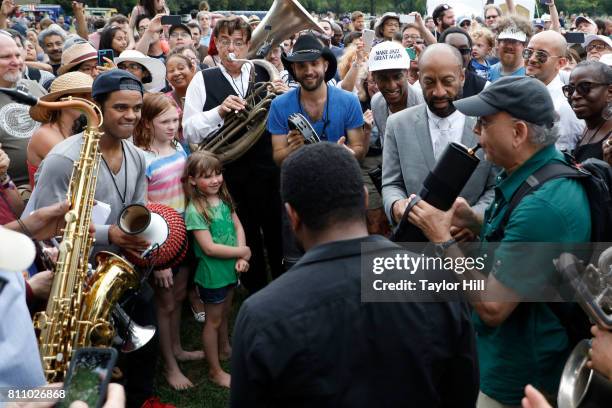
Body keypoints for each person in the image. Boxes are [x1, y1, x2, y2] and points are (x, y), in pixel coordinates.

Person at [230, 142, 479, 407]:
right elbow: (463, 390)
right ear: (363, 198)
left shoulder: (262, 316)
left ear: (292, 216)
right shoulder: (438, 281)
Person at [407, 76, 591, 407]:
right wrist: (473, 221)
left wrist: (440, 238)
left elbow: (493, 307)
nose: (477, 132)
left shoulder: (542, 204)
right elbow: (519, 241)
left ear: (518, 133)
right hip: (507, 356)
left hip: (519, 377)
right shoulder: (539, 171)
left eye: (485, 122)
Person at [25, 70, 157, 407]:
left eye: (137, 108)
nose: (131, 116)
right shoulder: (62, 159)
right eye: (121, 107)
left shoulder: (137, 155)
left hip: (122, 269)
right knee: (90, 360)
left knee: (140, 352)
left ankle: (139, 398)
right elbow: (40, 229)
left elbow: (137, 209)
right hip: (74, 280)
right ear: (96, 108)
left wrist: (143, 233)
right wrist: (107, 233)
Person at [183, 16, 285, 293]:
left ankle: (285, 287)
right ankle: (257, 293)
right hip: (231, 175)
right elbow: (189, 131)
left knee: (277, 234)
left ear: (247, 45)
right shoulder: (203, 80)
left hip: (268, 171)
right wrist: (219, 111)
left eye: (238, 43)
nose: (231, 48)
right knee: (247, 234)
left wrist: (283, 98)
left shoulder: (264, 73)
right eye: (225, 41)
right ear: (215, 44)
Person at [382, 44, 496, 230]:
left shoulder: (487, 123)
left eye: (447, 81)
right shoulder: (397, 124)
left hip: (470, 250)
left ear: (462, 77)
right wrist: (396, 206)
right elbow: (391, 183)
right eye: (429, 82)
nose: (439, 92)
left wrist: (474, 220)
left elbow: (495, 187)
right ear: (418, 79)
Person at [132, 92, 201, 390]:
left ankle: (176, 348)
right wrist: (155, 258)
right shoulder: (142, 158)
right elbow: (141, 210)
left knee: (180, 294)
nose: (173, 126)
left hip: (184, 233)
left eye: (176, 120)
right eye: (165, 121)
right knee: (165, 301)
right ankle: (170, 367)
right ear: (147, 122)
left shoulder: (177, 146)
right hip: (160, 242)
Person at [183, 151, 249, 388]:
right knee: (212, 320)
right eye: (207, 176)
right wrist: (242, 253)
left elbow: (238, 226)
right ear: (192, 180)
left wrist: (241, 252)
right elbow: (209, 248)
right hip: (212, 276)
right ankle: (215, 371)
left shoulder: (223, 198)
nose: (215, 180)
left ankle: (224, 348)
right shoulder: (195, 210)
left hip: (230, 270)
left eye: (218, 173)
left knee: (225, 312)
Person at [268, 33, 366, 165]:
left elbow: (359, 148)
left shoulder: (349, 101)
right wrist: (292, 149)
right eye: (302, 65)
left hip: (338, 179)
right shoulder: (279, 105)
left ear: (325, 66)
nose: (309, 71)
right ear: (294, 69)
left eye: (314, 63)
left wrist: (346, 153)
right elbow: (278, 157)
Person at [27, 71, 93, 187]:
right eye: (83, 96)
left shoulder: (79, 129)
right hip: (50, 202)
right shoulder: (44, 135)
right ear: (62, 100)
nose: (91, 101)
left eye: (92, 96)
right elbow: (80, 172)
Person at [525, 30, 585, 152]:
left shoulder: (563, 107)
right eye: (528, 52)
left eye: (541, 55)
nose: (531, 59)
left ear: (560, 63)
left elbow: (560, 155)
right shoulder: (520, 90)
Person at [0, 32, 45, 189]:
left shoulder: (33, 86)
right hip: (15, 192)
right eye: (6, 57)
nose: (16, 62)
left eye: (18, 55)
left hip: (55, 179)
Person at [565, 60, 612, 164]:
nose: (574, 96)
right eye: (570, 89)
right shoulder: (588, 126)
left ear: (610, 92)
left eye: (585, 87)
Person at [439, 27, 487, 98]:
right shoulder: (427, 86)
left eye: (463, 50)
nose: (457, 54)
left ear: (470, 54)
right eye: (451, 49)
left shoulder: (484, 88)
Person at [488, 16, 532, 82]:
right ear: (498, 43)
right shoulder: (489, 72)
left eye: (515, 42)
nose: (509, 46)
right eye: (505, 40)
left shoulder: (530, 75)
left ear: (525, 45)